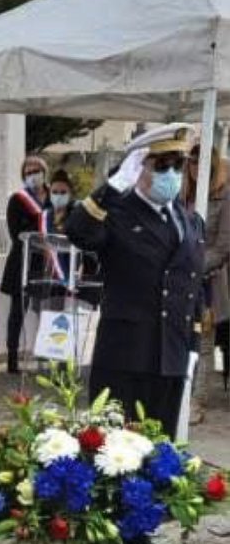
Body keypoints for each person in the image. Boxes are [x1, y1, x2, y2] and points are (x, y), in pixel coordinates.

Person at [66, 125, 204, 436]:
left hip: (171, 356)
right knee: (116, 457)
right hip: (126, 358)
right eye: (162, 166)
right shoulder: (117, 211)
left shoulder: (189, 220)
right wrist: (114, 186)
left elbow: (194, 287)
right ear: (139, 167)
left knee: (160, 456)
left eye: (178, 165)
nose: (172, 174)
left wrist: (193, 345)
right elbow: (78, 231)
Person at [182, 143, 230, 419]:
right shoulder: (182, 195)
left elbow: (224, 246)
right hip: (179, 280)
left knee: (203, 343)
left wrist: (193, 267)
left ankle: (197, 402)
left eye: (203, 164)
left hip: (208, 281)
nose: (196, 168)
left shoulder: (224, 197)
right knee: (180, 338)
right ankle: (180, 393)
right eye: (192, 163)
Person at [0, 154, 49, 373]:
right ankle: (12, 357)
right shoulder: (18, 199)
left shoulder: (53, 196)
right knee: (18, 311)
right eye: (28, 172)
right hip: (23, 261)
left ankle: (47, 356)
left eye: (36, 170)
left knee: (46, 310)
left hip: (49, 263)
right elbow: (15, 233)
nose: (33, 175)